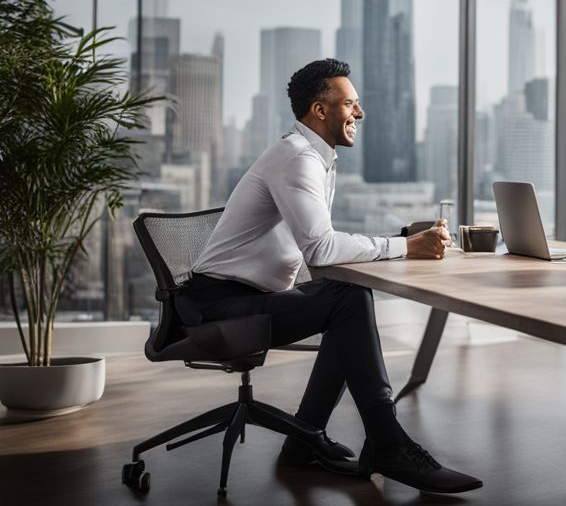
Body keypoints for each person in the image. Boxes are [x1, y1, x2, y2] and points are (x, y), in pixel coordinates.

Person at [180, 59, 481, 495]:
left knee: (347, 296)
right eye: (350, 104)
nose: (359, 113)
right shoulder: (297, 158)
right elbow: (320, 251)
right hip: (217, 308)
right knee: (347, 299)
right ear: (320, 111)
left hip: (241, 297)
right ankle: (388, 443)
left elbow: (320, 244)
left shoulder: (311, 157)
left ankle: (304, 441)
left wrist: (400, 238)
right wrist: (404, 248)